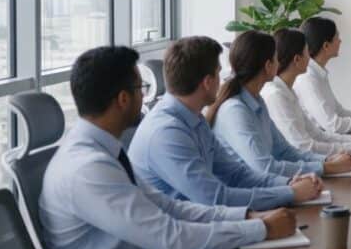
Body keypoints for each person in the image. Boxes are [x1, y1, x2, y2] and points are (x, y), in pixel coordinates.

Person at [40, 46, 296, 249]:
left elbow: (168, 207)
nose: (145, 95)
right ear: (122, 99)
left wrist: (248, 216)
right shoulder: (87, 169)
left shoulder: (103, 152)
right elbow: (170, 237)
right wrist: (261, 229)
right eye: (141, 88)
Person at [130, 36, 323, 210]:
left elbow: (237, 174)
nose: (223, 82)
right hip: (183, 237)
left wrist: (289, 183)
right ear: (207, 82)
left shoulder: (195, 118)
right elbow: (215, 197)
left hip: (207, 226)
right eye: (219, 73)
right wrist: (290, 192)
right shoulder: (166, 132)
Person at [208, 30, 351, 178]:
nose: (280, 63)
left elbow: (285, 151)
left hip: (265, 186)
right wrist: (326, 167)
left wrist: (327, 160)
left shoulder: (257, 102)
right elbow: (265, 167)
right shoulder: (235, 110)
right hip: (247, 193)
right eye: (276, 59)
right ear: (268, 66)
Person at [263, 29, 351, 157]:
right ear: (297, 59)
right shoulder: (276, 95)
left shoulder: (287, 90)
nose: (310, 57)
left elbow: (317, 134)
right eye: (306, 52)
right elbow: (304, 146)